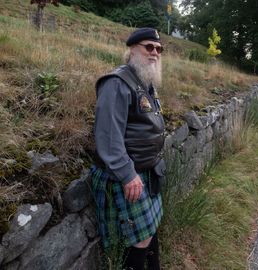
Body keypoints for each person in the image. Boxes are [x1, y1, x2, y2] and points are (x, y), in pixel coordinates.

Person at [91, 27, 167, 270]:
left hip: (147, 171)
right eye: (149, 47)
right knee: (140, 237)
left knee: (150, 229)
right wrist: (127, 174)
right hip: (127, 174)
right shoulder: (117, 83)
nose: (155, 53)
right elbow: (108, 135)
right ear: (133, 49)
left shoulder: (145, 83)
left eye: (159, 49)